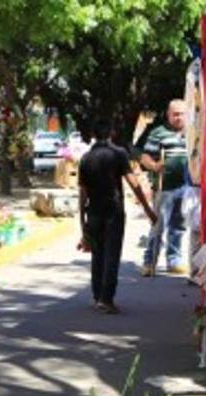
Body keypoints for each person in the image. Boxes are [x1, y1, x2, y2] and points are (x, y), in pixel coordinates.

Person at [78, 117, 156, 314]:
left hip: (93, 211)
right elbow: (133, 182)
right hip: (114, 210)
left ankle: (97, 297)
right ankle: (107, 299)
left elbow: (82, 194)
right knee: (112, 255)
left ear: (94, 135)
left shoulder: (86, 158)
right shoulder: (118, 154)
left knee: (98, 254)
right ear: (111, 133)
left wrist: (82, 224)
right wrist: (147, 208)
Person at [139, 99, 189, 276]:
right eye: (175, 114)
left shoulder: (191, 133)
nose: (178, 117)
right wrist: (154, 166)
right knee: (158, 225)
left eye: (181, 114)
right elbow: (144, 157)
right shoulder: (158, 133)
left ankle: (173, 261)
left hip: (186, 187)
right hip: (164, 187)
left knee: (179, 226)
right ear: (168, 115)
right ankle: (149, 262)